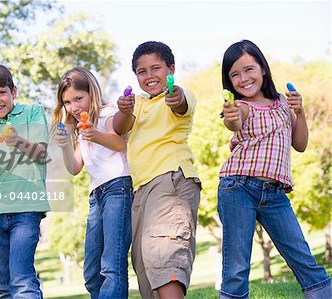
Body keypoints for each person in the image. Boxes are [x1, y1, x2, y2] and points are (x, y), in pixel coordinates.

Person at [218, 39, 332, 299]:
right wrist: (231, 117)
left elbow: (300, 144)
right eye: (234, 74)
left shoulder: (282, 102)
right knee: (237, 267)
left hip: (275, 195)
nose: (243, 78)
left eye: (249, 69)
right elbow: (233, 124)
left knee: (303, 257)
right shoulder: (240, 108)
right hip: (238, 188)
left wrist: (300, 112)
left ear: (263, 69)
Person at [113, 41, 201, 299]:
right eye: (142, 71)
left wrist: (176, 96)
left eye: (156, 68)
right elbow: (120, 128)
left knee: (165, 255)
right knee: (143, 264)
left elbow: (181, 103)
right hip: (141, 190)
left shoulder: (177, 95)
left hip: (170, 178)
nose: (150, 76)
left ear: (171, 69)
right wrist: (124, 109)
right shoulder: (138, 103)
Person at [53, 66, 133, 299]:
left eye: (79, 98)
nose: (74, 107)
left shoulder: (108, 113)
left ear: (92, 93)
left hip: (118, 188)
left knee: (111, 265)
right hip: (96, 196)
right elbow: (74, 167)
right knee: (91, 272)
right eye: (67, 102)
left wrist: (92, 134)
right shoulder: (80, 128)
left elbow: (119, 144)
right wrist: (65, 144)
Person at [0, 64, 49, 298]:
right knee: (1, 287)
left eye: (1, 92)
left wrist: (17, 141)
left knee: (22, 280)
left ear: (13, 91)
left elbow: (40, 154)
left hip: (26, 209)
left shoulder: (32, 113)